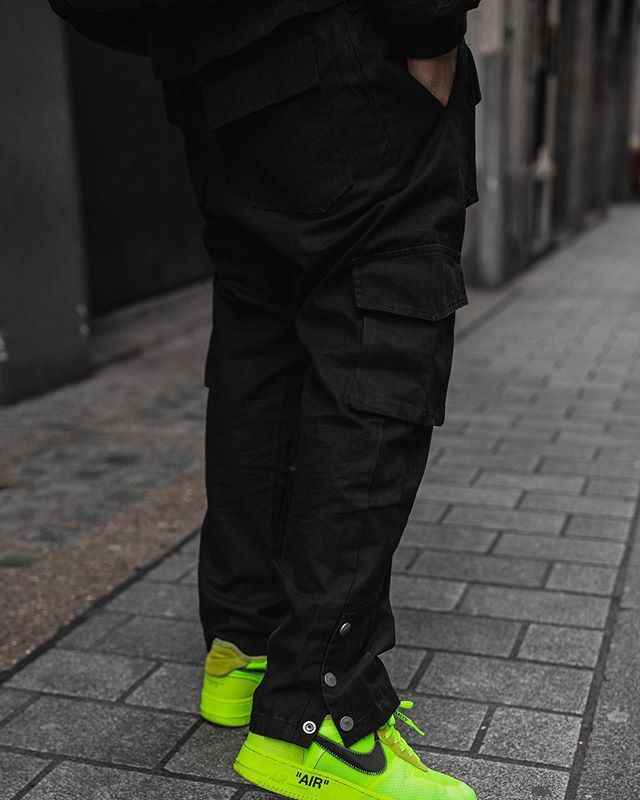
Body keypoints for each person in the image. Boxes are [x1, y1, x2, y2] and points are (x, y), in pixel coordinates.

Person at [50, 2, 483, 798]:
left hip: (213, 78)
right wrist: (430, 28)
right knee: (382, 327)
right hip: (348, 53)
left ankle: (242, 647)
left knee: (263, 341)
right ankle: (317, 714)